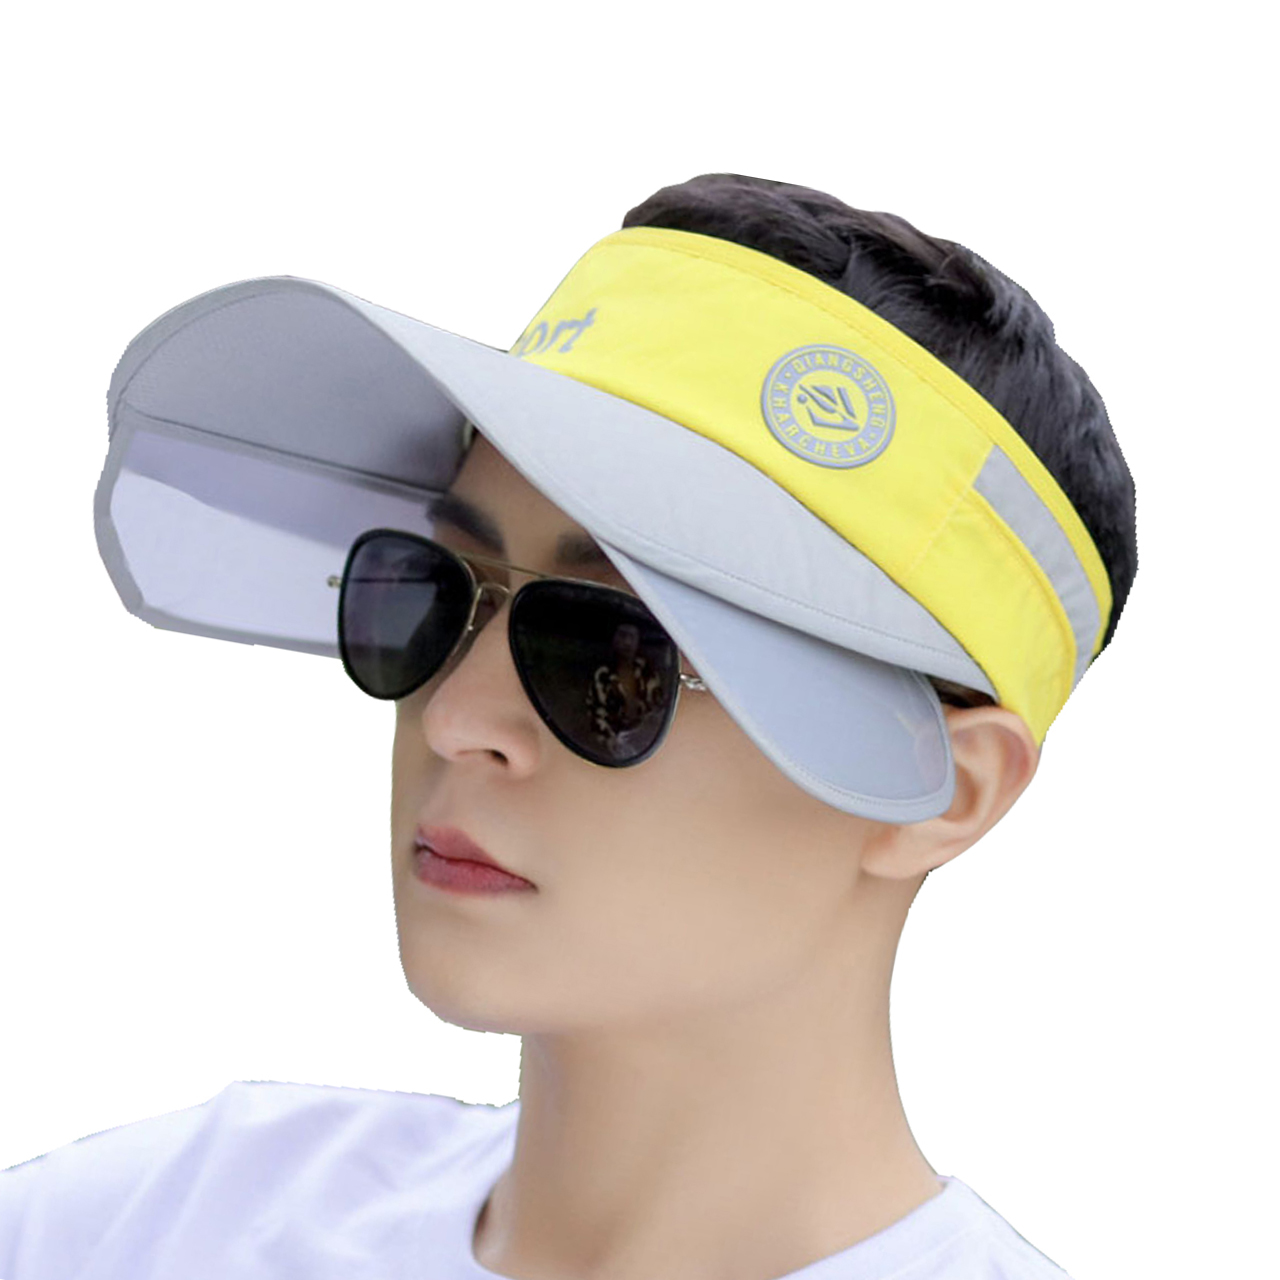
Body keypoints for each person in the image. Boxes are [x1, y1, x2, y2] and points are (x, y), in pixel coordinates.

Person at [0, 173, 1135, 1279]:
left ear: (943, 790)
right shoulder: (149, 1228)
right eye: (434, 589)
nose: (455, 718)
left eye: (610, 651)